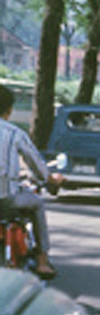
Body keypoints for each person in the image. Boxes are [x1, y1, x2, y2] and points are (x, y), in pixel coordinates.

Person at [0, 84, 63, 279]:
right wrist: (51, 179)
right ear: (9, 111)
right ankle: (42, 260)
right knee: (37, 204)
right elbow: (36, 163)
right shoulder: (14, 133)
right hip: (7, 199)